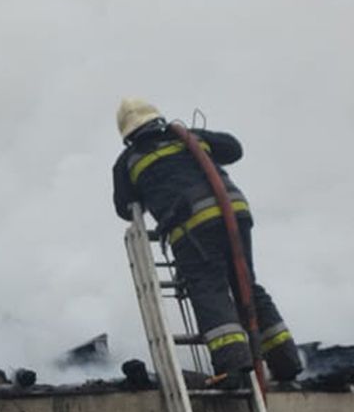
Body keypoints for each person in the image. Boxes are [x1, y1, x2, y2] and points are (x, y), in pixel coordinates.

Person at [111, 98, 303, 386]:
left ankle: (234, 366)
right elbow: (234, 149)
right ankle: (285, 360)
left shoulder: (128, 161)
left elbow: (124, 208)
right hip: (235, 214)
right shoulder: (190, 138)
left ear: (126, 134)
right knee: (246, 285)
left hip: (191, 224)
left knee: (207, 286)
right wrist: (189, 136)